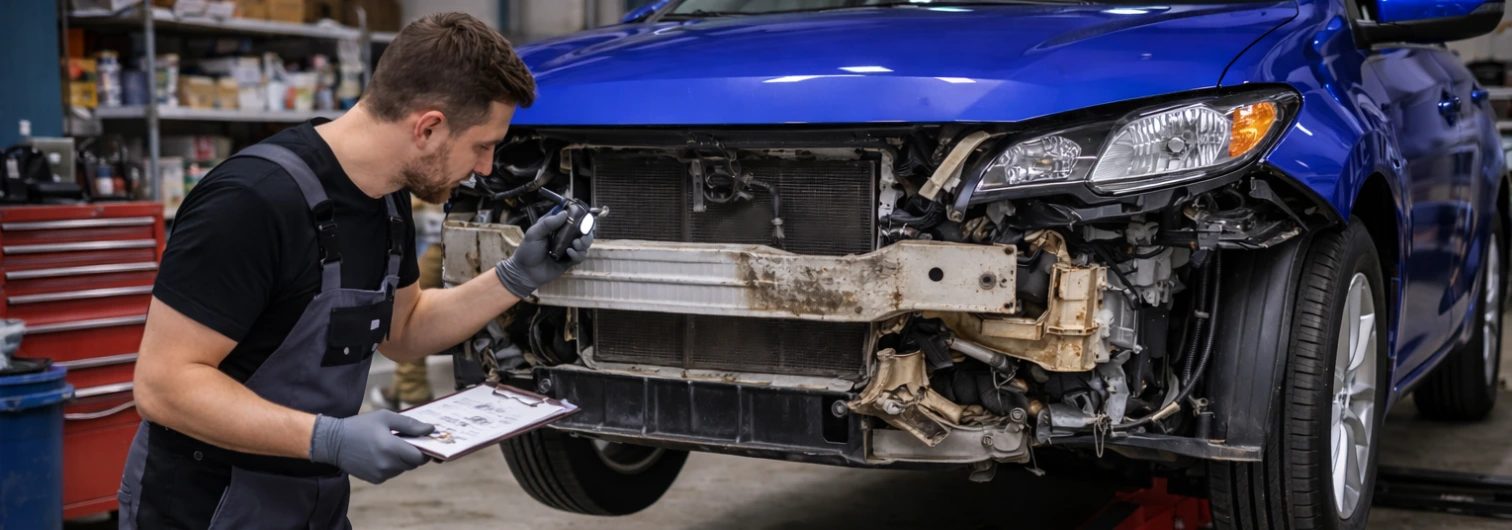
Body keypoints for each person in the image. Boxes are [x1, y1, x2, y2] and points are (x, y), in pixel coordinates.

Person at [117, 12, 591, 529]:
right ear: (428, 127)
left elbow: (403, 332)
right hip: (207, 506)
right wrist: (329, 438)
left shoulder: (387, 203)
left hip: (312, 502)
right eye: (483, 145)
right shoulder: (250, 203)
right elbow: (163, 385)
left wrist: (513, 279)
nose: (484, 167)